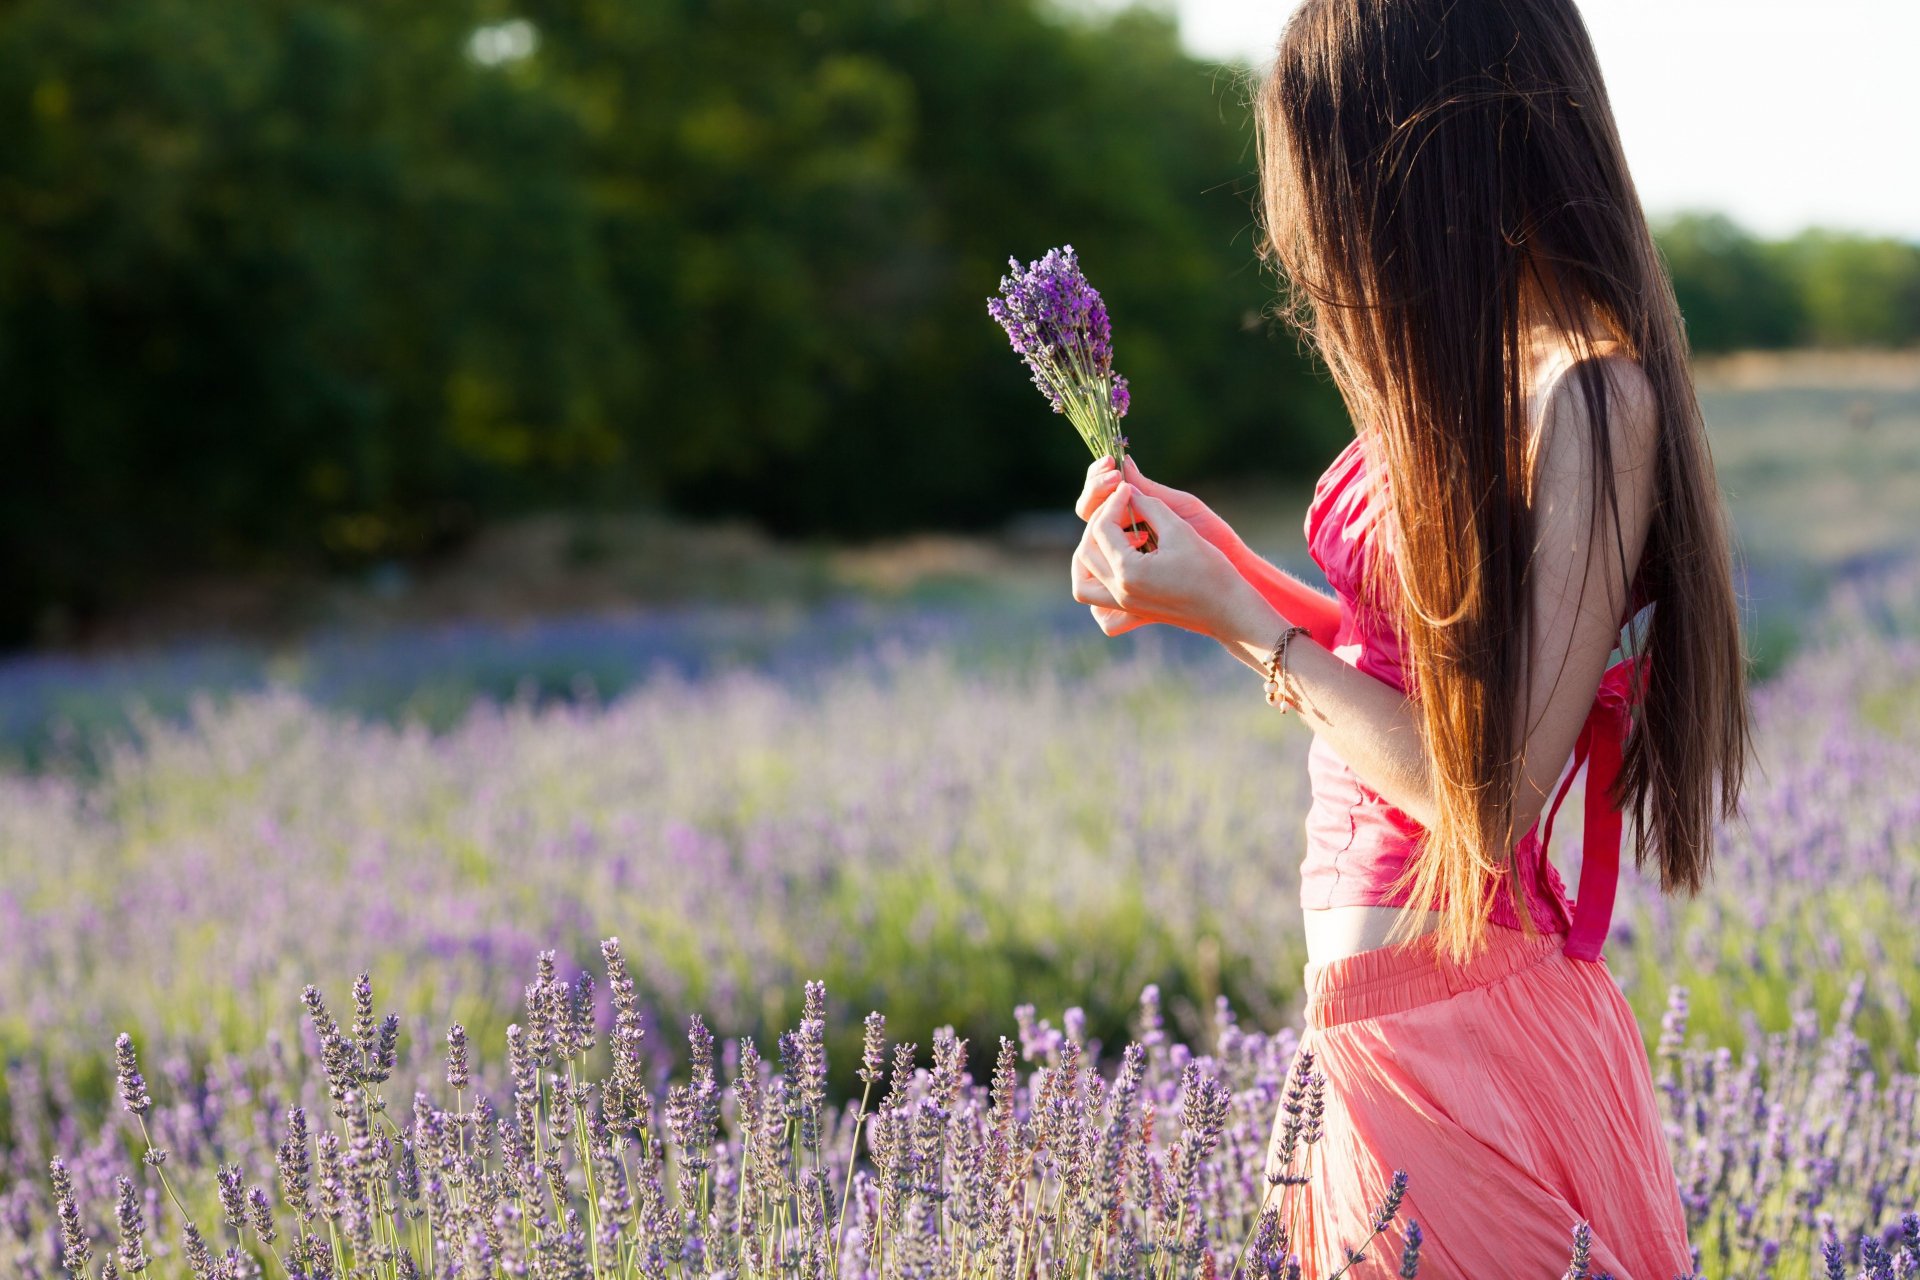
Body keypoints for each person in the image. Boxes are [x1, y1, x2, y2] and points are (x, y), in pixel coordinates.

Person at [1067, 0, 1755, 1273]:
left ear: (1428, 153)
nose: (1321, 240)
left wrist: (1248, 629)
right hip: (1367, 1036)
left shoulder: (1593, 395)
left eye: (1335, 179)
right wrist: (1222, 579)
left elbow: (1484, 799)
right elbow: (1404, 672)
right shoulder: (1475, 379)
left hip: (1470, 1036)